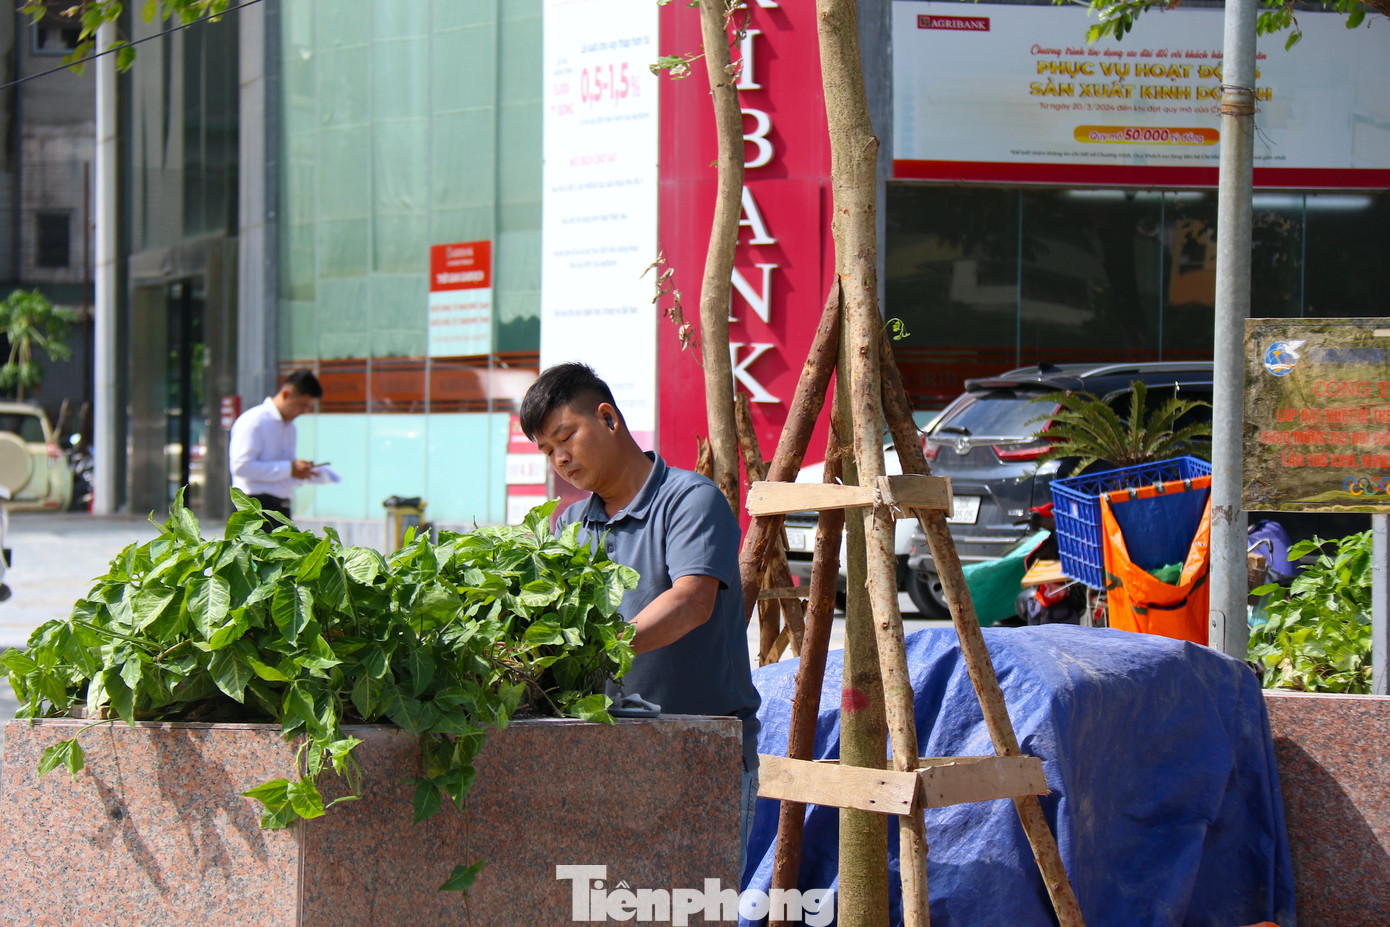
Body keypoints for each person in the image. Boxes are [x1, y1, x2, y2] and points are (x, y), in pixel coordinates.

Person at [519, 362, 762, 873]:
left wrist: (597, 649)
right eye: (546, 450)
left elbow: (691, 602)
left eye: (565, 437)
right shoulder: (568, 526)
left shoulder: (690, 500)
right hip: (602, 760)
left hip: (699, 756)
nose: (559, 459)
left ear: (608, 419)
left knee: (694, 905)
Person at [228, 369, 327, 521]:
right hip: (253, 507)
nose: (304, 411)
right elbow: (241, 467)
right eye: (302, 405)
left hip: (282, 507)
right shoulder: (254, 420)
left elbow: (286, 473)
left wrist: (300, 472)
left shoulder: (290, 427)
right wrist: (289, 469)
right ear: (286, 395)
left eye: (308, 407)